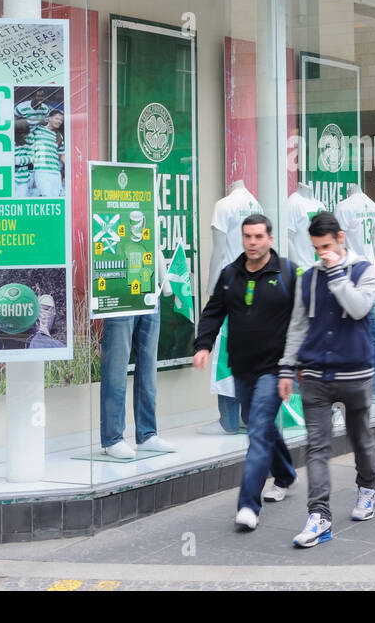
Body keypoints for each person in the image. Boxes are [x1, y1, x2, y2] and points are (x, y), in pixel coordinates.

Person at [278, 211, 375, 548]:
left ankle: (367, 487)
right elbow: (297, 326)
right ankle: (319, 516)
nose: (320, 253)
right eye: (315, 247)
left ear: (340, 238)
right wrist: (286, 367)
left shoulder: (367, 270)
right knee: (316, 447)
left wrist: (336, 273)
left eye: (325, 245)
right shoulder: (307, 279)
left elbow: (357, 308)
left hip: (355, 374)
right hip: (315, 375)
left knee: (360, 437)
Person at [193, 214, 298, 531]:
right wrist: (204, 345)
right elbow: (213, 312)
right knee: (260, 426)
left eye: (258, 237)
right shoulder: (230, 275)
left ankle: (248, 506)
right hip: (242, 369)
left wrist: (292, 368)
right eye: (247, 237)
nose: (252, 242)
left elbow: (301, 322)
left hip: (274, 370)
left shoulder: (287, 274)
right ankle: (286, 473)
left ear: (270, 239)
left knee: (256, 432)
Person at [99, 256, 175, 459]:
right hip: (119, 285)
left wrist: (164, 283)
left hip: (149, 286)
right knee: (116, 366)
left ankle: (147, 433)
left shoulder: (148, 222)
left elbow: (155, 245)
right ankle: (112, 437)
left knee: (149, 365)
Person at [28, 110, 66, 199]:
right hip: (42, 171)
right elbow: (31, 149)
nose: (59, 121)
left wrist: (71, 168)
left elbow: (61, 155)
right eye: (57, 118)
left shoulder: (59, 136)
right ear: (49, 118)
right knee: (47, 197)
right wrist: (31, 167)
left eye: (61, 120)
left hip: (56, 172)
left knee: (56, 198)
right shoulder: (38, 130)